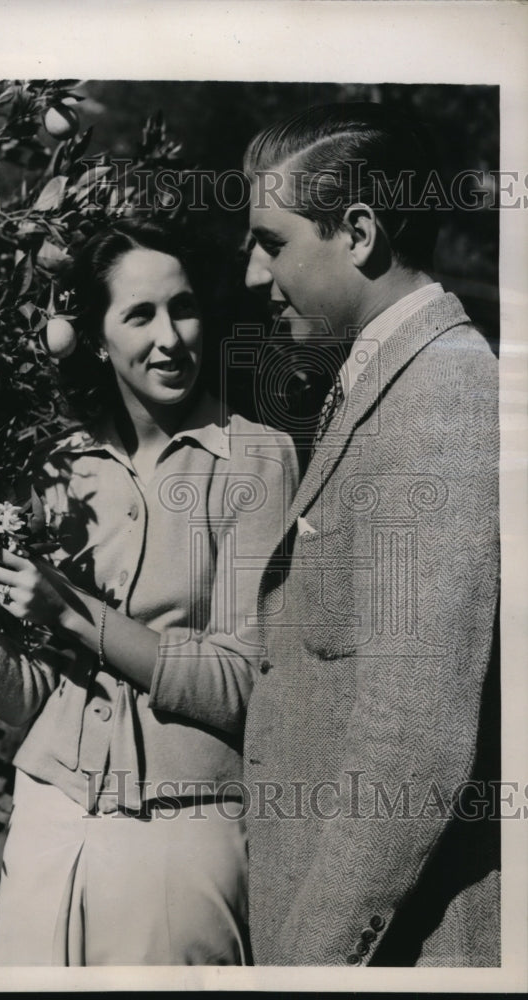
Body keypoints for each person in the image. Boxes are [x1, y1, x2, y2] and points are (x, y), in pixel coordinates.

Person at [0, 218, 298, 965]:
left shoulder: (255, 459)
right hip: (46, 827)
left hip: (179, 839)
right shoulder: (60, 469)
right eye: (139, 315)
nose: (170, 338)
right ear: (94, 339)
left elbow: (249, 685)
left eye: (183, 308)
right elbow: (34, 699)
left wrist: (75, 613)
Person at [241, 103, 500, 966]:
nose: (252, 273)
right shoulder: (388, 375)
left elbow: (411, 742)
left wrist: (312, 964)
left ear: (357, 233)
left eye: (270, 243)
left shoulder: (440, 396)